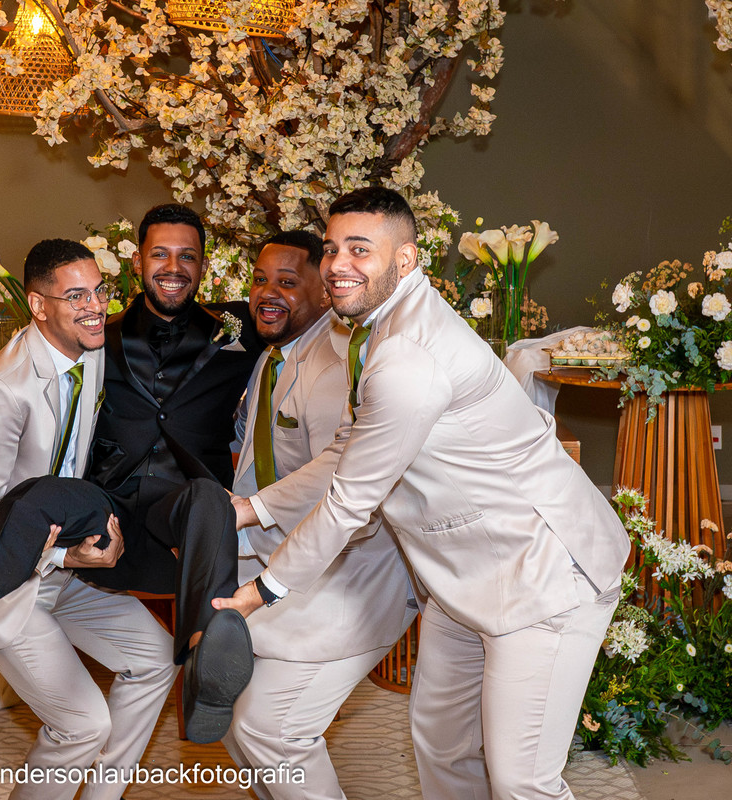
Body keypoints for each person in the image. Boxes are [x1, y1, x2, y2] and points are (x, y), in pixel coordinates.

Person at [216, 187, 631, 800]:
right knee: (443, 747)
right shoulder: (371, 329)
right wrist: (252, 508)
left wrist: (263, 590)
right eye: (331, 249)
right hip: (461, 577)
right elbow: (348, 450)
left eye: (361, 249)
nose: (337, 265)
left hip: (543, 575)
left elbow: (352, 500)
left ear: (405, 259)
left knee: (523, 782)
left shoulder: (408, 354)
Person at [0, 238, 176, 800]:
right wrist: (56, 554)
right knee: (83, 724)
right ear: (38, 305)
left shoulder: (88, 352)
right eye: (76, 296)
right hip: (7, 583)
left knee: (156, 659)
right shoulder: (1, 390)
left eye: (99, 291)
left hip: (71, 572)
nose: (95, 306)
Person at [220, 230, 415, 800]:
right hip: (279, 560)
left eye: (287, 282)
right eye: (260, 280)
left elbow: (344, 487)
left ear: (324, 290)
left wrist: (248, 515)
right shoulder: (274, 356)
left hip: (346, 573)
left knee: (271, 729)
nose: (267, 294)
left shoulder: (337, 371)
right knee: (229, 709)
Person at [82, 202, 266, 742]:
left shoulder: (239, 329)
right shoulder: (100, 333)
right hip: (110, 506)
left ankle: (203, 666)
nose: (173, 266)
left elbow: (304, 319)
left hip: (186, 514)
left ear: (204, 265)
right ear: (137, 261)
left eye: (187, 256)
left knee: (211, 498)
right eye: (160, 253)